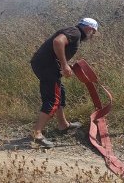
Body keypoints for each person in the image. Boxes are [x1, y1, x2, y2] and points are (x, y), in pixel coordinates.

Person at [29, 17, 99, 148]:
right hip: (47, 67)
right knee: (53, 99)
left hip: (45, 65)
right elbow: (58, 41)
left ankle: (63, 125)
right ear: (89, 29)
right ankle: (36, 133)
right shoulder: (76, 32)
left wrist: (66, 65)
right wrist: (64, 65)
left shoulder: (73, 32)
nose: (92, 36)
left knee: (60, 92)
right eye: (93, 33)